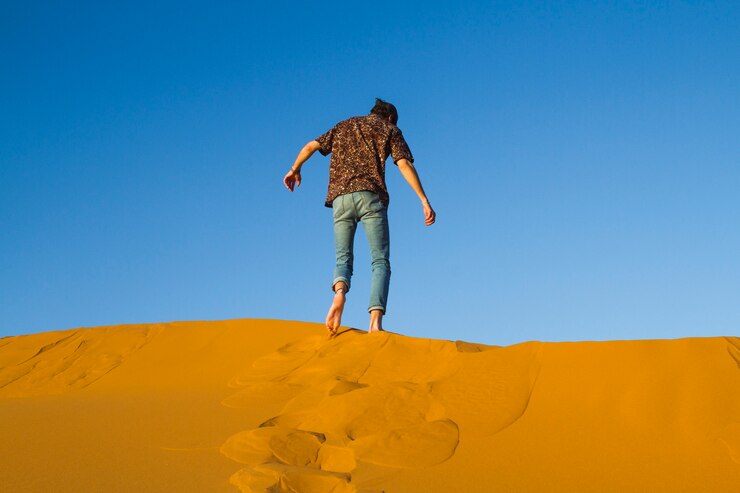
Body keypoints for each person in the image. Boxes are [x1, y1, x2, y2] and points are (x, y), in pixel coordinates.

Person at [283, 98, 436, 335]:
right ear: (390, 118)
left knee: (343, 259)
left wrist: (295, 169)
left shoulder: (344, 126)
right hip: (371, 198)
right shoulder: (390, 129)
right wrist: (424, 200)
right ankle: (375, 323)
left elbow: (311, 146)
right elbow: (403, 163)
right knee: (380, 260)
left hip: (340, 200)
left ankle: (340, 294)